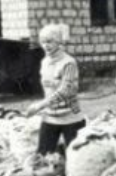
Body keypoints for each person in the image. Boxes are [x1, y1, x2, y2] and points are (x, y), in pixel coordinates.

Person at [27, 24, 87, 155]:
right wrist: (44, 107)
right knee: (42, 156)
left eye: (49, 42)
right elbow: (48, 89)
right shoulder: (44, 62)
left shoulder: (69, 63)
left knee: (75, 157)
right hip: (50, 117)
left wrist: (40, 105)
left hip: (71, 117)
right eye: (43, 42)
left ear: (59, 42)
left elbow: (66, 90)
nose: (46, 46)